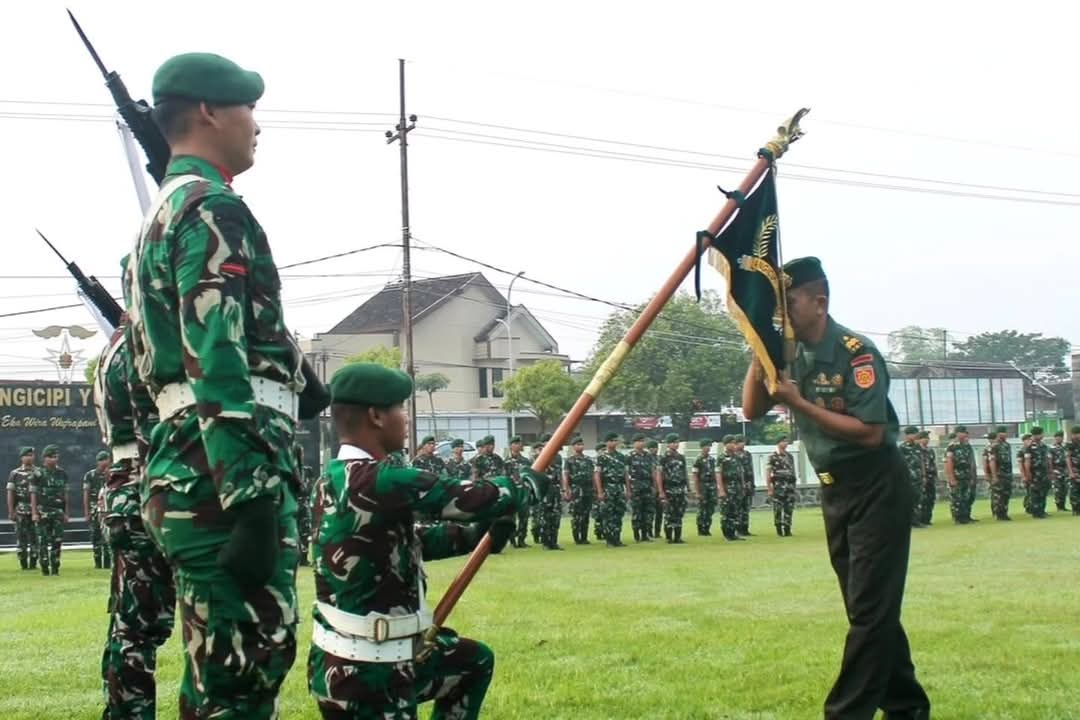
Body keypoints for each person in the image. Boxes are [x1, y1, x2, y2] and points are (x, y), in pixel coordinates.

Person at [126, 52, 303, 716]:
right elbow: (215, 354)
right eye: (248, 108)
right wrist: (250, 497)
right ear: (209, 111)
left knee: (220, 678)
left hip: (193, 470)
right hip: (220, 481)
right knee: (242, 675)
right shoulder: (210, 207)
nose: (256, 124)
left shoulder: (167, 211)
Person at [741, 256, 929, 720]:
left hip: (876, 486)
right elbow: (751, 411)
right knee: (868, 609)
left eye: (789, 304)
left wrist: (798, 402)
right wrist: (759, 350)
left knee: (869, 611)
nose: (781, 315)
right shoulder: (788, 352)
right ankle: (907, 706)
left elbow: (870, 432)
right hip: (835, 492)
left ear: (819, 303)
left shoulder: (855, 353)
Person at [307, 362, 539, 719]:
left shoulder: (331, 480)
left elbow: (403, 542)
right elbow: (467, 497)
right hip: (369, 672)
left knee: (472, 662)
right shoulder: (378, 479)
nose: (405, 418)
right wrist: (525, 486)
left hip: (358, 659)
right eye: (400, 408)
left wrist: (477, 536)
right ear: (376, 416)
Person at [94, 312, 177, 719]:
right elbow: (156, 424)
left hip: (123, 485)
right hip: (150, 481)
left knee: (130, 625)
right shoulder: (143, 340)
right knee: (141, 628)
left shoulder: (112, 347)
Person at [30, 444, 68, 576]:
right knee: (42, 541)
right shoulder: (37, 474)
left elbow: (65, 495)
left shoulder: (62, 473)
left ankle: (55, 567)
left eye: (56, 457)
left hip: (57, 512)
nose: (54, 459)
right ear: (45, 458)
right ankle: (45, 568)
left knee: (57, 541)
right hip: (42, 512)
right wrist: (34, 512)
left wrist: (66, 512)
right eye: (51, 457)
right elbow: (33, 494)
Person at [6, 447, 39, 570]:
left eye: (31, 455)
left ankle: (33, 563)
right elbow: (11, 493)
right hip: (20, 511)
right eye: (27, 455)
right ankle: (23, 564)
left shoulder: (39, 473)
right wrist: (11, 511)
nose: (29, 457)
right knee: (21, 539)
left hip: (36, 511)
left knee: (35, 538)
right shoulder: (15, 474)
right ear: (22, 457)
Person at [594, 432, 630, 547]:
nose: (614, 443)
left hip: (619, 487)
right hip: (607, 487)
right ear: (606, 442)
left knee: (618, 514)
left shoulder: (621, 457)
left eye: (615, 441)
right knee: (608, 514)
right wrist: (600, 491)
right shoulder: (601, 458)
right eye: (611, 441)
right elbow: (597, 475)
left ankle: (617, 539)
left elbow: (625, 474)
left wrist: (628, 489)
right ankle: (609, 540)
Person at [656, 433, 689, 544]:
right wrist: (661, 491)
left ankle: (678, 537)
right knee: (669, 513)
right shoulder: (663, 458)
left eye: (677, 442)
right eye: (673, 442)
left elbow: (684, 473)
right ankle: (669, 537)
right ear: (668, 444)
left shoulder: (681, 457)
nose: (676, 444)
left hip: (680, 488)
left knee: (679, 513)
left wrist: (688, 487)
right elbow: (659, 474)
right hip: (668, 488)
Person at [562, 436, 595, 545]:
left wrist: (594, 489)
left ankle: (584, 537)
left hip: (587, 489)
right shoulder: (569, 460)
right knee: (576, 514)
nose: (580, 446)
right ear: (573, 447)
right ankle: (577, 538)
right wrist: (566, 490)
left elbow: (593, 475)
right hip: (575, 489)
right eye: (577, 444)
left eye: (581, 444)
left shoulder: (588, 460)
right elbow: (566, 476)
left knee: (586, 514)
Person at [83, 451, 113, 569]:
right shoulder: (90, 475)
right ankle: (98, 562)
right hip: (94, 510)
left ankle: (107, 562)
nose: (104, 462)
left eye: (106, 459)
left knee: (107, 535)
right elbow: (86, 494)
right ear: (97, 462)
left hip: (108, 509)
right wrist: (87, 512)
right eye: (102, 460)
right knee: (95, 536)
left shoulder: (112, 474)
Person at [503, 436, 533, 548]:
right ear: (510, 445)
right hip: (512, 493)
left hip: (523, 493)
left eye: (519, 443)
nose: (517, 445)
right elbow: (504, 478)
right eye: (515, 443)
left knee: (524, 517)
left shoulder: (526, 461)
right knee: (511, 518)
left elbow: (530, 476)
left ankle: (521, 540)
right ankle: (512, 540)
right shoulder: (506, 462)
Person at [766, 435, 798, 537]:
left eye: (786, 441)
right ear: (778, 443)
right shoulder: (772, 456)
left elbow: (792, 471)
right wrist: (769, 488)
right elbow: (768, 473)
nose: (785, 443)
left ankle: (787, 529)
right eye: (783, 441)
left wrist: (794, 485)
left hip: (789, 487)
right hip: (778, 487)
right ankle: (779, 529)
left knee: (789, 508)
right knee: (778, 509)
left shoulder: (790, 456)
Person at [945, 426, 977, 524]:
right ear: (957, 433)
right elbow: (949, 462)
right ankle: (958, 518)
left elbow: (971, 462)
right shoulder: (952, 446)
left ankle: (966, 516)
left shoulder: (967, 446)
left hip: (966, 476)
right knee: (957, 498)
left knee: (966, 497)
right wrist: (951, 478)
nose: (964, 434)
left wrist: (972, 476)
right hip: (957, 476)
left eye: (965, 432)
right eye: (962, 432)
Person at [627, 434, 656, 542]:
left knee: (647, 512)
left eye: (643, 441)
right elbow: (626, 474)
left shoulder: (648, 456)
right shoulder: (629, 457)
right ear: (634, 443)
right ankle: (636, 535)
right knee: (637, 512)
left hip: (647, 487)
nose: (641, 443)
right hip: (636, 487)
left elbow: (652, 471)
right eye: (639, 441)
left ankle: (645, 535)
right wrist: (628, 489)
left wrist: (654, 486)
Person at [718, 435, 744, 542]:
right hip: (727, 488)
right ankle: (727, 534)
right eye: (731, 443)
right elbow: (718, 474)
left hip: (736, 488)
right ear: (726, 444)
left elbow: (741, 473)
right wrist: (721, 490)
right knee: (726, 512)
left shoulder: (737, 457)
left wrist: (742, 486)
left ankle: (733, 533)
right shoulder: (721, 458)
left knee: (735, 511)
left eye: (735, 443)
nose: (734, 445)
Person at [898, 426, 925, 529]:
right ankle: (908, 522)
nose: (916, 435)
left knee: (918, 499)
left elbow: (921, 461)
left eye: (916, 433)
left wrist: (924, 475)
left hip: (918, 477)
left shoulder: (918, 447)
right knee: (909, 500)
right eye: (914, 434)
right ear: (907, 435)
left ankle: (916, 521)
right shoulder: (902, 448)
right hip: (907, 478)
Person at [1024, 427, 1051, 518]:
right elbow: (1027, 461)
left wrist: (1049, 471)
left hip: (1044, 473)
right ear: (1037, 435)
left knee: (1043, 492)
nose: (1043, 435)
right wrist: (1028, 473)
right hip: (1035, 473)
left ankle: (1042, 511)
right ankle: (1036, 512)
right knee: (1035, 493)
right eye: (1041, 434)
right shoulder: (1029, 447)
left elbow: (1047, 460)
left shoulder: (1044, 446)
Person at [987, 426, 1013, 521]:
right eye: (1003, 432)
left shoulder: (1007, 445)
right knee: (999, 495)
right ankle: (998, 514)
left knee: (1006, 494)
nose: (1005, 434)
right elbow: (992, 462)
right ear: (998, 434)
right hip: (999, 474)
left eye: (1005, 432)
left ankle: (1004, 513)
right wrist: (994, 476)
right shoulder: (994, 446)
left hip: (1007, 474)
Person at [692, 439, 717, 536]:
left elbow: (715, 474)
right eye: (706, 446)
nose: (708, 448)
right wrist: (697, 491)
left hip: (711, 487)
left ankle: (707, 528)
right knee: (702, 509)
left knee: (710, 508)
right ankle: (700, 528)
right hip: (702, 486)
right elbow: (695, 476)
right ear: (702, 447)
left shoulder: (712, 459)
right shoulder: (697, 459)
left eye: (709, 446)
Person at [734, 435, 756, 535]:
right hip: (738, 485)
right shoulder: (733, 455)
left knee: (746, 508)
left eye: (744, 442)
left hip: (748, 484)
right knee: (738, 508)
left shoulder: (747, 454)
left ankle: (745, 529)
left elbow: (751, 470)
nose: (743, 444)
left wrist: (752, 484)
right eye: (741, 442)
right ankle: (738, 529)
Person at [915, 431, 938, 525]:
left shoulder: (930, 450)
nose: (927, 440)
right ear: (919, 439)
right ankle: (920, 519)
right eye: (925, 438)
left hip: (930, 477)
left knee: (930, 498)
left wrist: (936, 475)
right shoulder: (916, 450)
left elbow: (933, 463)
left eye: (928, 438)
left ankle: (927, 519)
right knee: (922, 499)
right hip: (921, 477)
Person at [1049, 430, 1069, 512]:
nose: (1059, 439)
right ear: (1055, 438)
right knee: (1058, 490)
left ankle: (1063, 506)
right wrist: (1051, 471)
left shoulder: (1065, 447)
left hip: (1065, 471)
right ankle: (1059, 506)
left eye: (1060, 437)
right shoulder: (1051, 448)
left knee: (1065, 489)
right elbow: (1050, 461)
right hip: (1056, 471)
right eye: (1057, 438)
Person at [648, 439, 663, 538]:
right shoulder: (646, 459)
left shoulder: (660, 459)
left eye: (656, 448)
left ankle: (657, 532)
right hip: (650, 489)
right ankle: (649, 531)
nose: (655, 450)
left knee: (659, 512)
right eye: (653, 448)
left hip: (659, 489)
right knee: (650, 512)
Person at [1065, 426, 1080, 515]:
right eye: (1076, 434)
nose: (1078, 436)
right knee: (1075, 490)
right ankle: (1076, 509)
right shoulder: (1070, 445)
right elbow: (1068, 458)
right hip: (1075, 470)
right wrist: (1070, 472)